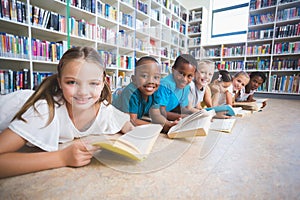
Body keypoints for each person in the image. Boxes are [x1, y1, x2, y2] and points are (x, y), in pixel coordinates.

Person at [0, 46, 133, 178]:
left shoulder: (103, 108)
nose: (83, 92)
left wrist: (134, 136)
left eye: (93, 83)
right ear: (60, 83)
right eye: (72, 82)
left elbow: (124, 123)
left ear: (103, 83)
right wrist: (62, 157)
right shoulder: (45, 110)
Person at [112, 56, 176, 132]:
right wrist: (158, 128)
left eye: (156, 77)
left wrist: (168, 124)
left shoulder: (155, 92)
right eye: (144, 76)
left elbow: (156, 114)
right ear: (134, 79)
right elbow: (132, 121)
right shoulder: (131, 91)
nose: (151, 81)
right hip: (111, 112)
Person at [155, 54, 197, 121]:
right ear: (173, 70)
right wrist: (182, 117)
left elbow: (182, 108)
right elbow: (160, 112)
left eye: (189, 76)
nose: (184, 79)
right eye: (181, 73)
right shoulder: (165, 85)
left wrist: (197, 114)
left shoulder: (186, 87)